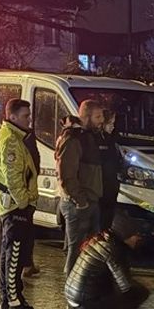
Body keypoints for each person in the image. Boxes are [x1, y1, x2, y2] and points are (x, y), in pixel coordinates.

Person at [64, 213, 153, 309]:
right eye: (136, 235)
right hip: (84, 300)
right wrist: (142, 284)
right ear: (126, 235)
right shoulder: (114, 250)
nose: (138, 238)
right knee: (139, 294)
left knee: (105, 286)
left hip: (73, 296)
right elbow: (126, 286)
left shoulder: (102, 240)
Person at [0, 98, 41, 309]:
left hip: (12, 206)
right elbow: (13, 177)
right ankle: (14, 304)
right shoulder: (11, 141)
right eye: (25, 116)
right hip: (14, 207)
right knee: (14, 258)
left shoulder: (12, 137)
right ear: (12, 117)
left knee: (10, 255)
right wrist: (24, 202)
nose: (29, 120)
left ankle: (8, 301)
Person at [55, 99, 105, 275]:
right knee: (75, 253)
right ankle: (72, 292)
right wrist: (80, 200)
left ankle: (82, 289)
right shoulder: (73, 138)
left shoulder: (85, 136)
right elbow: (67, 174)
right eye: (98, 116)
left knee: (86, 251)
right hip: (78, 204)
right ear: (86, 115)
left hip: (89, 200)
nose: (101, 120)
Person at [97, 109, 122, 231]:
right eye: (110, 123)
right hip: (102, 189)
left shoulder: (112, 140)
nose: (113, 126)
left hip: (111, 189)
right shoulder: (98, 140)